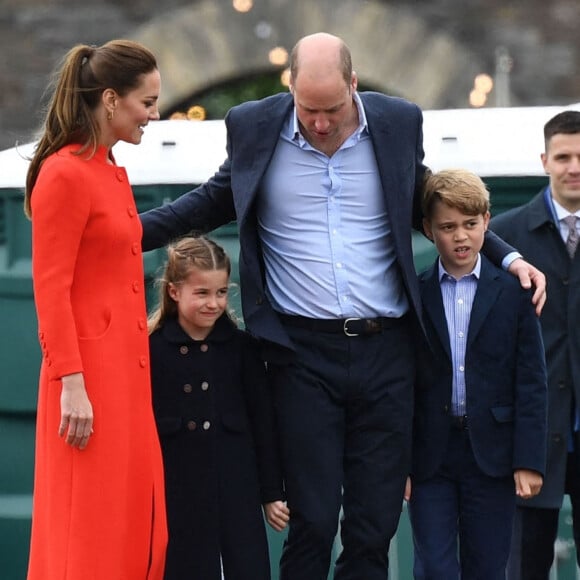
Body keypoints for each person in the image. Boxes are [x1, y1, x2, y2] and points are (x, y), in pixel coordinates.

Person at [140, 32, 546, 580]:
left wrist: (508, 255)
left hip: (387, 353)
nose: (321, 122)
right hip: (301, 355)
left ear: (354, 86)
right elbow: (213, 200)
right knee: (311, 521)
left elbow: (435, 199)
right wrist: (123, 232)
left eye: (332, 108)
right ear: (290, 90)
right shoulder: (254, 126)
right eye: (308, 109)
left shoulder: (398, 123)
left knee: (373, 526)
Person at [24, 40, 167, 579]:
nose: (154, 114)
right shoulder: (64, 173)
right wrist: (72, 383)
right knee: (86, 526)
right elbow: (50, 288)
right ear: (110, 99)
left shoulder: (108, 169)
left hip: (125, 380)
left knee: (132, 523)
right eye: (146, 102)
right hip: (85, 384)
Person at [406, 169, 548, 580]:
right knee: (434, 566)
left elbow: (531, 382)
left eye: (470, 224)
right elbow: (403, 384)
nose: (461, 237)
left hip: (494, 457)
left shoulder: (514, 295)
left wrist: (529, 460)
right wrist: (401, 462)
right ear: (429, 231)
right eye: (448, 227)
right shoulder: (415, 294)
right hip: (430, 456)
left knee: (487, 566)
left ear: (487, 221)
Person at [147, 236, 289, 580]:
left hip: (235, 486)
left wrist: (272, 493)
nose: (214, 303)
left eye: (222, 292)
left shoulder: (242, 349)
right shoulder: (150, 351)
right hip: (175, 492)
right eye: (202, 293)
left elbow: (263, 422)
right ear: (174, 292)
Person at [490, 110, 580, 580]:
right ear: (544, 160)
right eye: (563, 156)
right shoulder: (504, 237)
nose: (573, 167)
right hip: (529, 437)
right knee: (524, 568)